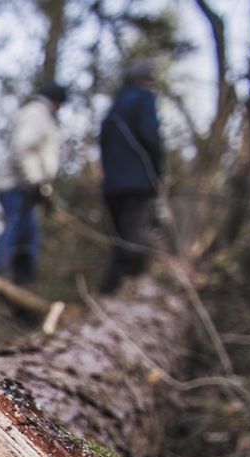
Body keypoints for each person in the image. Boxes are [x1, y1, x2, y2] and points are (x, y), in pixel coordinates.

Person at [0, 82, 68, 286]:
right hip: (17, 187)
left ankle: (21, 288)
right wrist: (36, 181)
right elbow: (23, 148)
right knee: (15, 231)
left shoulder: (39, 116)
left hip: (24, 186)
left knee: (28, 239)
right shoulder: (36, 115)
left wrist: (43, 188)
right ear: (56, 102)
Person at [99, 60, 166, 293]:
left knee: (120, 238)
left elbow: (104, 145)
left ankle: (111, 289)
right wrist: (158, 171)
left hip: (112, 185)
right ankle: (132, 285)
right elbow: (151, 135)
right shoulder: (144, 99)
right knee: (134, 233)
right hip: (138, 180)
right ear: (144, 81)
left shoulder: (113, 108)